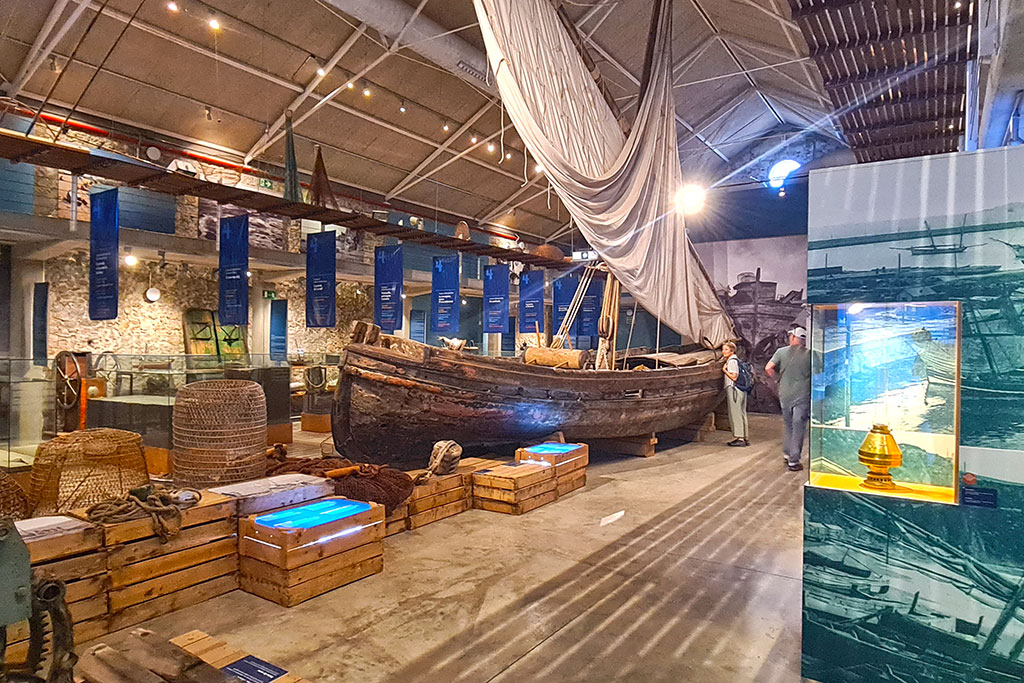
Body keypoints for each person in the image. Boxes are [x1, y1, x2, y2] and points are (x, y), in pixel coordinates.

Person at [766, 327, 811, 471]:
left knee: (788, 425)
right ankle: (794, 460)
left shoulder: (781, 352)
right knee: (799, 426)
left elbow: (768, 368)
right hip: (802, 395)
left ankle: (786, 453)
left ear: (792, 338)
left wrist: (777, 378)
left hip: (785, 394)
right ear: (803, 340)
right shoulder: (810, 354)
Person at [721, 341, 748, 447]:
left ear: (732, 351)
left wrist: (724, 370)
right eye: (723, 349)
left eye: (726, 349)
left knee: (735, 413)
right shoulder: (737, 360)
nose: (723, 351)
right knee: (742, 412)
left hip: (734, 389)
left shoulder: (732, 361)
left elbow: (734, 377)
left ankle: (740, 438)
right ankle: (745, 437)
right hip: (741, 389)